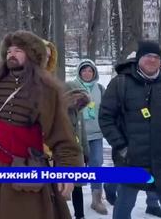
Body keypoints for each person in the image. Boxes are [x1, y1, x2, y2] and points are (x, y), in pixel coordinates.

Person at [0, 30, 80, 219]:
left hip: (27, 167)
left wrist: (67, 170)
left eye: (18, 50)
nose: (11, 54)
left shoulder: (46, 90)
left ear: (32, 54)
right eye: (9, 51)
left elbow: (61, 133)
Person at [99, 40, 161, 219]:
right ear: (139, 58)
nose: (152, 60)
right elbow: (106, 118)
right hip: (131, 158)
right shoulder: (121, 83)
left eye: (156, 57)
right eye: (148, 56)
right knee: (124, 207)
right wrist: (122, 147)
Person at [67, 59, 108, 214]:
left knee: (96, 164)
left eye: (90, 70)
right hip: (76, 134)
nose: (87, 73)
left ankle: (97, 199)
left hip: (96, 133)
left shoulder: (100, 88)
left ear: (94, 73)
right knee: (77, 165)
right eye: (84, 70)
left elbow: (106, 110)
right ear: (79, 72)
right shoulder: (72, 87)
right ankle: (70, 190)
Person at [64, 82, 91, 219]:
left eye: (79, 98)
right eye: (73, 97)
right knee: (61, 188)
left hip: (78, 155)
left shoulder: (78, 112)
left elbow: (83, 134)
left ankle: (80, 215)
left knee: (78, 187)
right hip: (62, 156)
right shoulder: (58, 114)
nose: (76, 100)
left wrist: (86, 152)